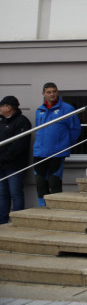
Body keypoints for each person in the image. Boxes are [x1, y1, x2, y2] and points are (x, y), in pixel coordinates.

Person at [33, 83, 81, 206]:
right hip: (39, 152)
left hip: (57, 152)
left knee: (54, 182)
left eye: (54, 91)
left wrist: (65, 145)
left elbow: (75, 129)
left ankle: (55, 207)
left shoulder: (67, 109)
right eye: (49, 92)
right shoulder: (39, 110)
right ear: (43, 94)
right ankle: (42, 207)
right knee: (40, 182)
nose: (52, 94)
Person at [0, 96, 32, 224]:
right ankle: (2, 221)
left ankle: (17, 222)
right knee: (2, 195)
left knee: (16, 193)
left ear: (8, 107)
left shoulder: (22, 122)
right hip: (1, 165)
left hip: (14, 166)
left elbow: (19, 145)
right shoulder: (1, 122)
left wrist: (4, 158)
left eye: (1, 105)